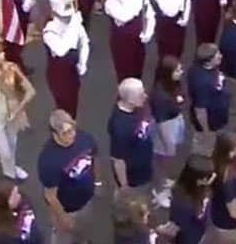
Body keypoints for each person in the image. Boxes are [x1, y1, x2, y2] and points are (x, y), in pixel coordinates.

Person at [0, 39, 35, 181]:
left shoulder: (12, 69)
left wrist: (18, 109)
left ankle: (12, 167)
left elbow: (31, 91)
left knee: (12, 145)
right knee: (5, 152)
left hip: (12, 114)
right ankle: (8, 176)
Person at [37, 109, 98, 244]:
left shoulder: (84, 139)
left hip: (86, 201)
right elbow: (50, 195)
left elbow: (93, 157)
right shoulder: (49, 161)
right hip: (68, 208)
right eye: (65, 133)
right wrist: (62, 216)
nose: (72, 135)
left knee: (84, 229)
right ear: (54, 134)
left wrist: (97, 182)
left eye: (72, 129)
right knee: (64, 237)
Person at [41, 0, 89, 117]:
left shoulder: (74, 23)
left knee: (73, 105)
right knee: (63, 106)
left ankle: (71, 124)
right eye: (64, 16)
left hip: (73, 71)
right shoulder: (49, 30)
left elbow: (84, 41)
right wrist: (74, 25)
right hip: (58, 75)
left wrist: (83, 62)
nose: (67, 18)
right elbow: (61, 49)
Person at [109, 78, 161, 206]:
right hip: (134, 176)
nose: (145, 96)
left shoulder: (137, 108)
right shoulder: (120, 127)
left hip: (145, 164)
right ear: (130, 100)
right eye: (141, 95)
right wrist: (124, 185)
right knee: (132, 202)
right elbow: (118, 160)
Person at [104, 0, 154, 82]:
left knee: (138, 71)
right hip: (122, 43)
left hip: (138, 40)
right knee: (125, 75)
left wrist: (148, 31)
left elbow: (149, 13)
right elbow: (126, 16)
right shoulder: (112, 0)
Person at [152, 56, 188, 196]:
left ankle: (165, 179)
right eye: (177, 70)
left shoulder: (173, 85)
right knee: (163, 156)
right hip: (166, 126)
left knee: (168, 155)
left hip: (175, 120)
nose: (181, 72)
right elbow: (162, 123)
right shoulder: (160, 96)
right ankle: (160, 187)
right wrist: (167, 143)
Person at [189, 43, 232, 156]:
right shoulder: (202, 83)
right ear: (208, 61)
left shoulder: (208, 68)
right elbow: (200, 109)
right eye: (217, 56)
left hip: (219, 113)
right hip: (212, 121)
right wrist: (206, 131)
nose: (221, 56)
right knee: (206, 146)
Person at [161, 155, 214, 244]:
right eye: (209, 177)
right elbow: (176, 228)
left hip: (199, 228)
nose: (213, 177)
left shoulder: (201, 188)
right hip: (188, 238)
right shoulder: (182, 203)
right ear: (199, 180)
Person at [0, 177, 43, 244]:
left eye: (17, 192)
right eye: (14, 196)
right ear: (2, 203)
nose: (19, 196)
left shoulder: (22, 204)